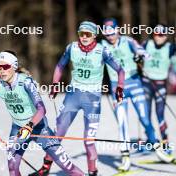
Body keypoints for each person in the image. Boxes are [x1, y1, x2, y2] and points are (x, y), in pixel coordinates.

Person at [29, 21, 125, 176]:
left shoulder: (102, 50)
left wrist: (120, 86)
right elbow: (60, 66)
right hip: (73, 95)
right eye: (81, 34)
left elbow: (120, 70)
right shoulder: (71, 48)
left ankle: (92, 172)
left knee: (88, 140)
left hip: (92, 99)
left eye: (88, 34)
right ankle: (45, 168)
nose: (84, 37)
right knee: (57, 135)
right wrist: (55, 84)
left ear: (94, 35)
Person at [0, 50, 84, 176]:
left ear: (14, 66)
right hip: (18, 129)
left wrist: (29, 126)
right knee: (12, 166)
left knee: (65, 165)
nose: (1, 70)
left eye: (5, 66)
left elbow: (41, 109)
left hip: (39, 127)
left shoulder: (26, 82)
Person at [101, 18, 174, 171]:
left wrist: (140, 56)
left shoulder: (128, 41)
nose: (110, 36)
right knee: (122, 121)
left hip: (134, 84)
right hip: (117, 87)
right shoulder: (102, 46)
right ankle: (125, 156)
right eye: (107, 34)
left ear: (118, 30)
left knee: (144, 118)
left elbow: (143, 52)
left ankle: (157, 149)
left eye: (112, 32)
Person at [142, 24, 176, 152]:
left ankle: (165, 141)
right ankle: (150, 140)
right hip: (146, 83)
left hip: (160, 84)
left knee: (160, 114)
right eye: (156, 34)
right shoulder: (147, 44)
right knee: (145, 114)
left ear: (166, 36)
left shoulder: (170, 47)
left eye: (162, 35)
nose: (158, 37)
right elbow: (137, 53)